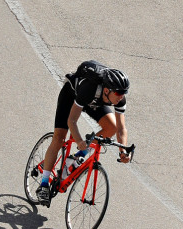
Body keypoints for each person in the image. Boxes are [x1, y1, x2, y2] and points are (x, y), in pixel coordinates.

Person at [35, 59, 131, 202]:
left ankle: (75, 158)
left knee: (112, 126)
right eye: (118, 93)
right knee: (60, 137)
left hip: (94, 101)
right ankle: (43, 185)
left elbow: (121, 128)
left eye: (124, 93)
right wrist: (79, 140)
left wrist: (123, 151)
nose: (121, 97)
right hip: (72, 96)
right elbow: (72, 120)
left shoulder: (118, 98)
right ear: (107, 90)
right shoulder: (89, 88)